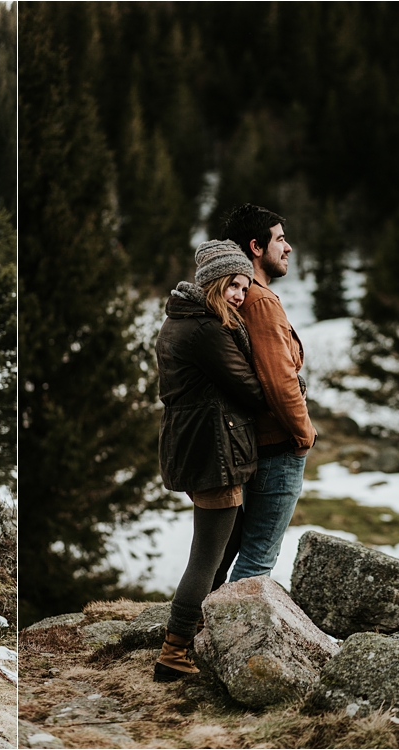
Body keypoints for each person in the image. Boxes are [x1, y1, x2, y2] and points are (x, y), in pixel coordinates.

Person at [153, 240, 267, 681]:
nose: (240, 294)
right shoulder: (204, 329)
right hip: (212, 452)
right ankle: (174, 653)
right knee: (206, 557)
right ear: (213, 283)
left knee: (217, 549)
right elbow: (251, 391)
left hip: (199, 445)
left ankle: (189, 636)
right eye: (234, 285)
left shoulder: (183, 320)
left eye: (245, 285)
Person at [223, 204, 316, 582]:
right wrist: (304, 435)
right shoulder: (259, 300)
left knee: (242, 550)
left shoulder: (243, 294)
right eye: (280, 239)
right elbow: (279, 381)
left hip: (257, 441)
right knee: (258, 557)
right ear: (256, 247)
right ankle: (230, 635)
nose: (288, 247)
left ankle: (206, 624)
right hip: (277, 445)